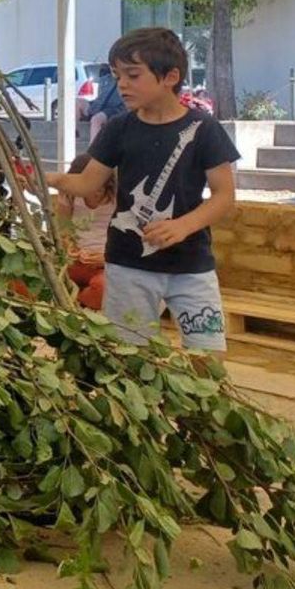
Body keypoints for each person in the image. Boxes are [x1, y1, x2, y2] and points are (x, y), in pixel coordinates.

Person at [46, 28, 239, 354]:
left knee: (209, 355)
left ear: (170, 77)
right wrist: (43, 177)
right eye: (116, 75)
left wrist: (183, 226)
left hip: (192, 266)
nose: (121, 83)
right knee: (130, 357)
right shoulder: (119, 128)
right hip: (127, 264)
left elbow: (224, 195)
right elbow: (86, 183)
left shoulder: (205, 129)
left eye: (132, 75)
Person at [54, 152, 115, 310]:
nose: (94, 191)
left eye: (99, 187)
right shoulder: (69, 194)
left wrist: (106, 257)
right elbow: (64, 228)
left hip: (105, 263)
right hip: (75, 260)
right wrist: (69, 247)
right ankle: (75, 301)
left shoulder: (118, 197)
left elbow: (130, 239)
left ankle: (73, 301)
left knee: (104, 290)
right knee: (41, 278)